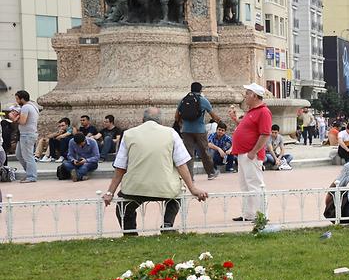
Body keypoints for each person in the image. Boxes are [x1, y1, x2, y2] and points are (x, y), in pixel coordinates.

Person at [102, 107, 208, 236]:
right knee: (177, 195)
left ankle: (130, 232)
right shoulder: (171, 133)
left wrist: (110, 192)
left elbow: (120, 167)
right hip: (165, 187)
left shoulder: (129, 134)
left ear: (142, 120)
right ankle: (167, 225)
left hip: (136, 188)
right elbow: (181, 164)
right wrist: (193, 188)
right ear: (161, 121)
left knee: (123, 207)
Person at [229, 83, 272, 223]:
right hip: (244, 153)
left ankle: (262, 215)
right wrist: (236, 120)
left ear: (254, 95)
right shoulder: (252, 111)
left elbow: (265, 134)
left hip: (250, 154)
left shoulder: (263, 112)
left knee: (255, 184)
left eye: (247, 93)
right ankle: (249, 214)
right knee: (245, 185)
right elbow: (248, 130)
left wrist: (254, 151)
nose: (245, 96)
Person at [175, 82, 221, 180]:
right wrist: (219, 121)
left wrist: (180, 124)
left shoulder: (184, 100)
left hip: (186, 130)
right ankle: (211, 173)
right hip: (200, 130)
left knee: (188, 154)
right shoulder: (203, 100)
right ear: (200, 90)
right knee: (204, 151)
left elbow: (177, 115)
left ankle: (190, 177)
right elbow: (213, 115)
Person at [11, 90, 38, 183]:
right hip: (25, 134)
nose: (16, 101)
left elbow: (22, 121)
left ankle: (31, 176)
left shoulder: (26, 107)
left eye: (17, 99)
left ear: (22, 99)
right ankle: (29, 173)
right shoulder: (32, 106)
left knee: (28, 156)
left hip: (27, 135)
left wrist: (13, 118)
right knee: (19, 155)